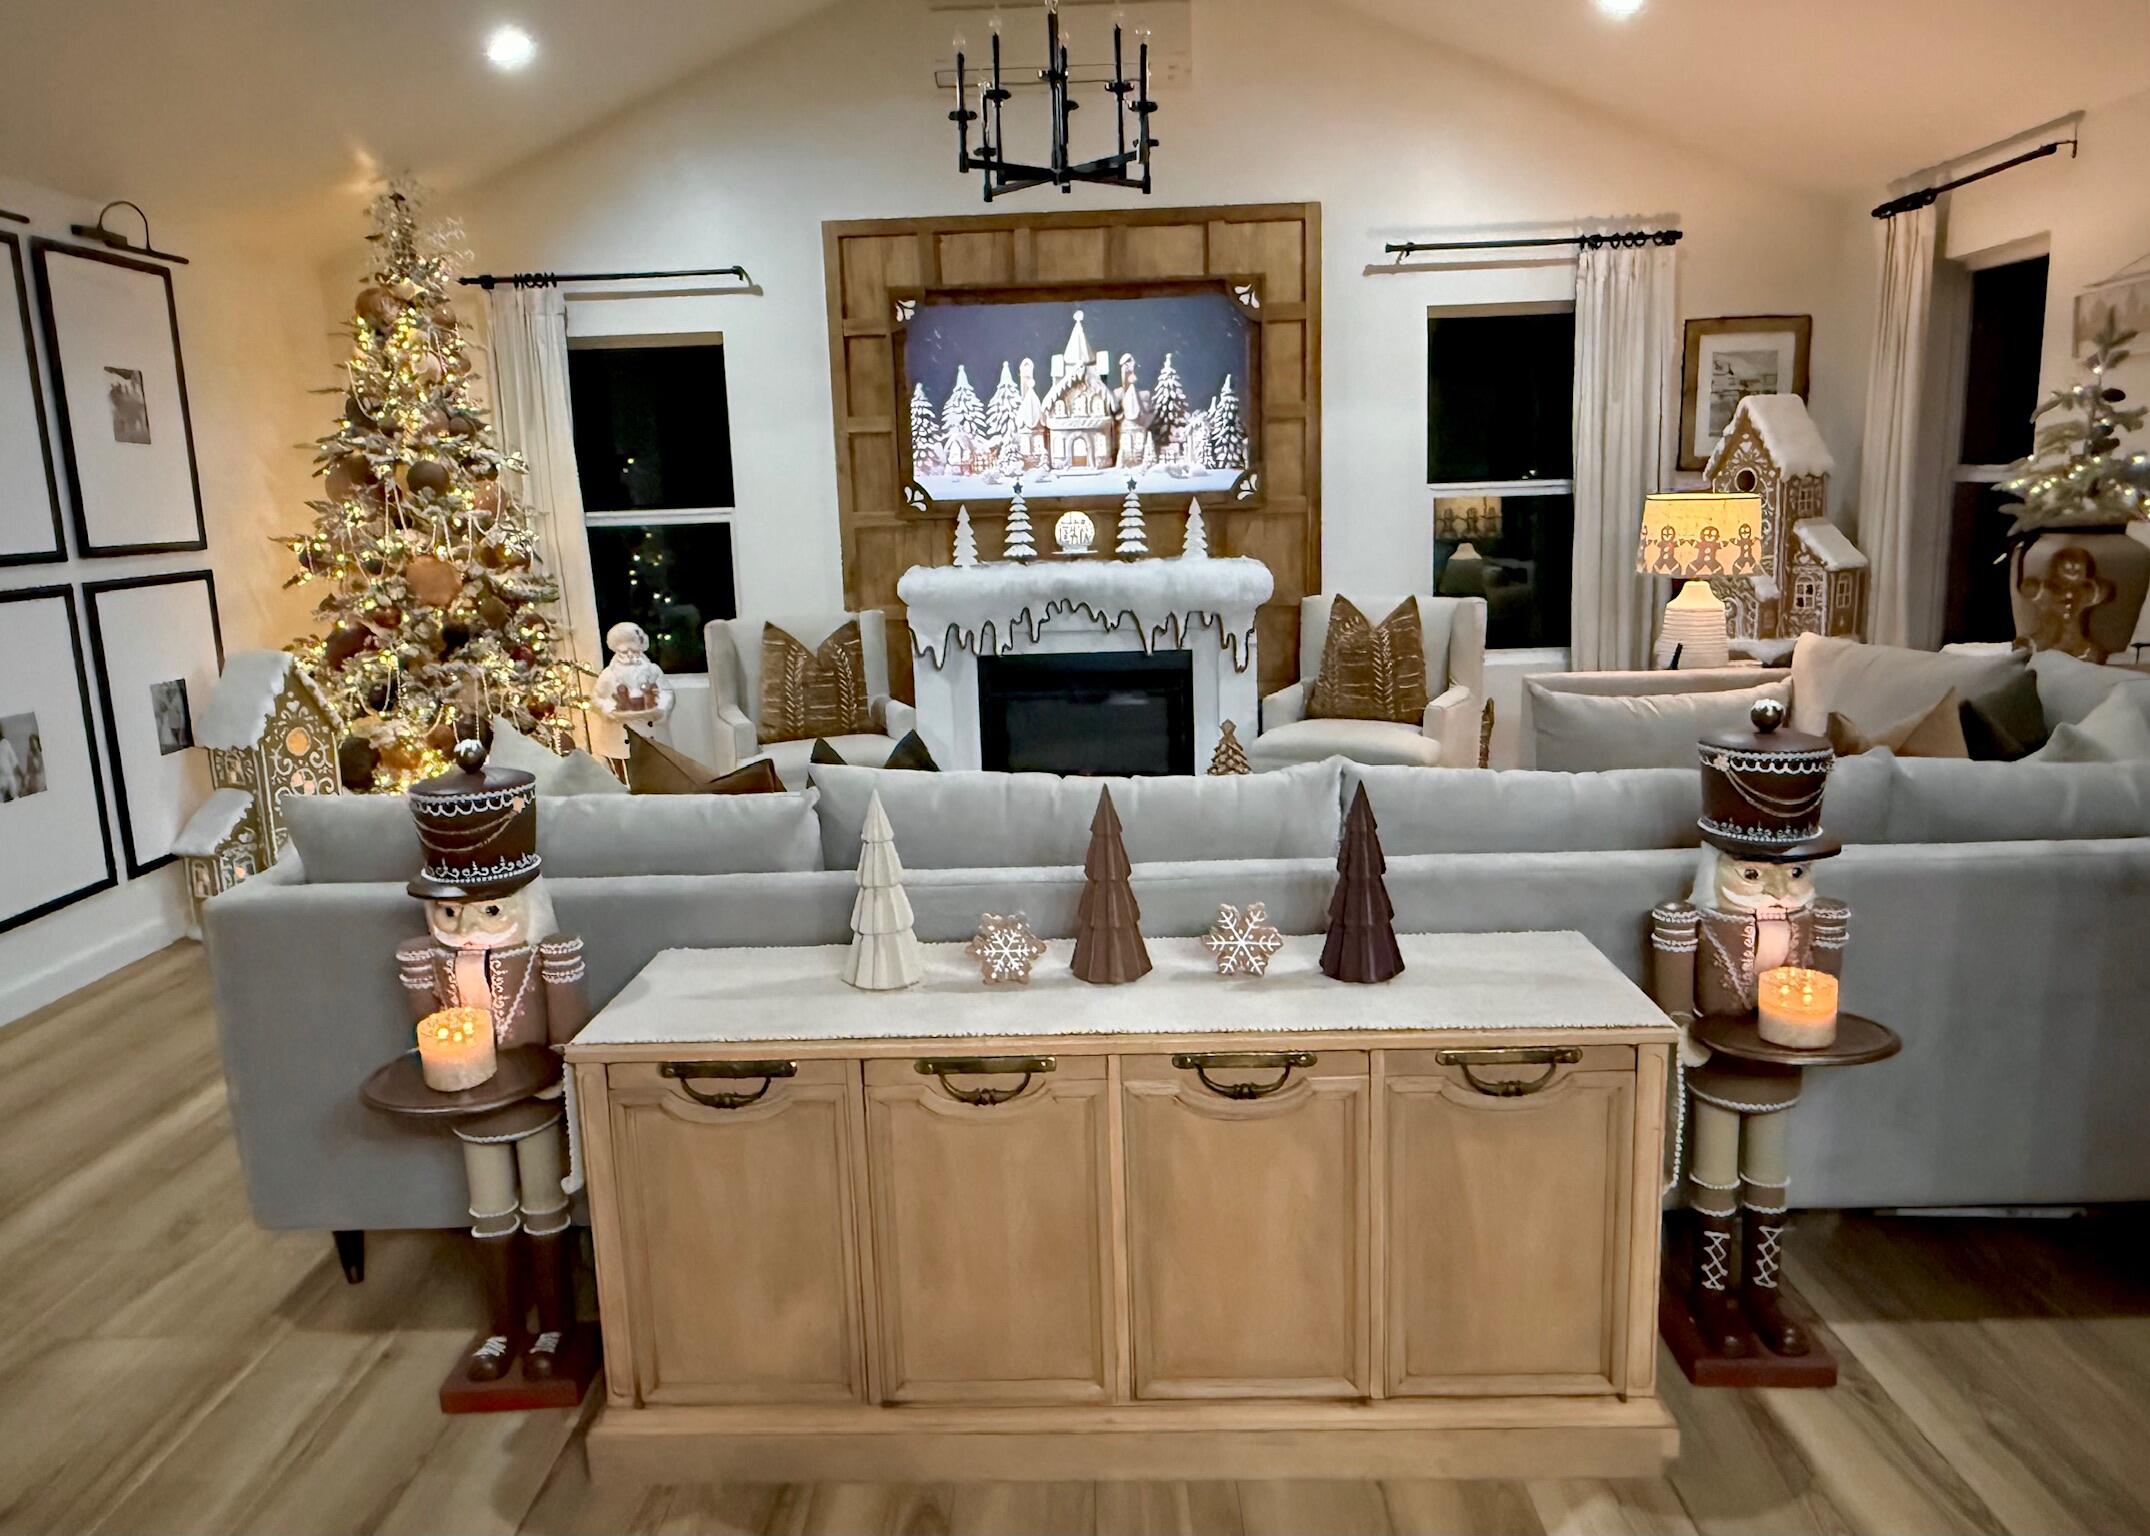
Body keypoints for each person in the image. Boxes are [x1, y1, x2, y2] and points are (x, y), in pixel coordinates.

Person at [1650, 699, 1848, 1359]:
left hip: (1778, 1066)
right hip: (1717, 1065)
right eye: (1755, 873)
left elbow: (1828, 990)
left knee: (1768, 1180)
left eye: (1796, 872)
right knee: (1714, 1179)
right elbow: (1676, 998)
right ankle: (1710, 1293)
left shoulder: (1818, 920)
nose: (1779, 890)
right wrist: (1682, 1031)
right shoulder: (1691, 920)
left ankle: (1762, 1291)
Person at [396, 738, 589, 1382]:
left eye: (490, 910)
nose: (466, 927)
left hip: (533, 1100)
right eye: (448, 912)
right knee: (489, 1213)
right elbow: (426, 1030)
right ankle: (503, 1328)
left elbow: (566, 1030)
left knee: (544, 1206)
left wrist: (560, 1076)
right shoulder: (435, 956)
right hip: (472, 1102)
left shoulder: (542, 952)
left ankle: (555, 1325)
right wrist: (416, 976)